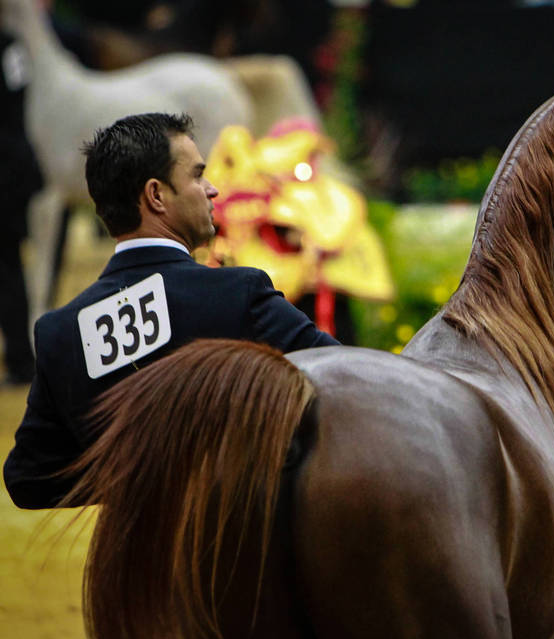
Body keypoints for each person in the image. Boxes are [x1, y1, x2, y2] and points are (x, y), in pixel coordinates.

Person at [4, 113, 339, 509]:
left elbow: (29, 478)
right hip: (238, 562)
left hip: (129, 567)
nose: (213, 189)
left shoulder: (61, 332)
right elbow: (341, 382)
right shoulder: (237, 295)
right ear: (156, 196)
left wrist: (138, 481)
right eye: (198, 176)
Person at [0, 31, 42, 388]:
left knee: (9, 269)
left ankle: (20, 359)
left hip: (8, 174)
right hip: (12, 167)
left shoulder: (10, 45)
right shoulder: (11, 45)